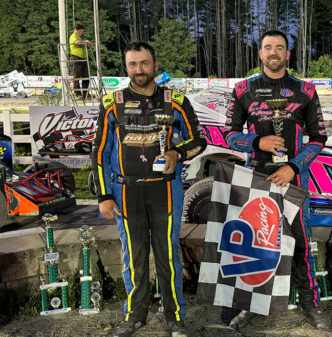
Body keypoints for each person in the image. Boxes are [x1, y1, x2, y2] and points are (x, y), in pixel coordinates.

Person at [91, 42, 206, 337]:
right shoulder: (111, 103)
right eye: (132, 64)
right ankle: (135, 316)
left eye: (144, 63)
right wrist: (104, 196)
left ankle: (175, 316)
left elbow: (198, 141)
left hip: (165, 190)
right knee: (134, 255)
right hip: (124, 193)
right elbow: (100, 153)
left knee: (168, 255)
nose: (138, 70)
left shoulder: (175, 100)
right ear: (126, 67)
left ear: (155, 65)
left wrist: (175, 154)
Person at [222, 30, 329, 330]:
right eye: (268, 47)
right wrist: (258, 143)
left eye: (279, 48)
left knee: (302, 244)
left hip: (292, 178)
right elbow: (229, 135)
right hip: (256, 176)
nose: (274, 52)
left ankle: (311, 303)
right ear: (260, 53)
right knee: (253, 243)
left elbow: (319, 137)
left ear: (287, 55)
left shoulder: (304, 90)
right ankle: (248, 305)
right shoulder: (244, 89)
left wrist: (294, 166)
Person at [69, 24, 94, 100]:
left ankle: (85, 93)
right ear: (78, 30)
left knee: (86, 77)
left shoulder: (80, 37)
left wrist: (89, 42)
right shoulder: (73, 36)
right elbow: (76, 42)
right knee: (77, 76)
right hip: (76, 58)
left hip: (83, 58)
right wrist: (85, 41)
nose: (82, 33)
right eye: (82, 31)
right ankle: (78, 94)